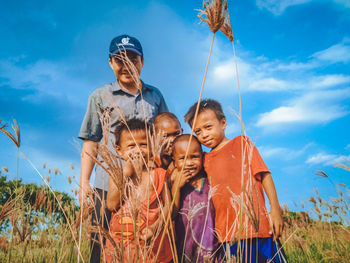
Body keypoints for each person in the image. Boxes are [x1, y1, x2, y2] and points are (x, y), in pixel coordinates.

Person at [78, 34, 168, 263]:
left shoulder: (155, 96)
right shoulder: (100, 96)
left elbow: (164, 136)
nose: (126, 65)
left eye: (132, 59)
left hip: (146, 187)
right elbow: (91, 140)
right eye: (120, 60)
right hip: (108, 185)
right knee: (101, 245)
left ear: (142, 61)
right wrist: (84, 182)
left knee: (145, 247)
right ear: (110, 63)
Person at [184, 99, 287, 262]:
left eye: (208, 127)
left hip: (258, 229)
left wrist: (275, 209)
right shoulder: (205, 160)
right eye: (198, 131)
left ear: (223, 123)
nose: (204, 134)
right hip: (227, 235)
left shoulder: (242, 143)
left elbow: (265, 175)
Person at [105, 118, 173, 263]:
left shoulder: (159, 174)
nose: (137, 150)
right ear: (119, 149)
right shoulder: (117, 174)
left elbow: (169, 206)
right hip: (120, 250)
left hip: (152, 250)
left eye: (143, 144)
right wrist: (126, 173)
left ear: (151, 146)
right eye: (131, 146)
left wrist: (155, 227)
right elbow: (111, 204)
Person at [171, 134, 219, 263]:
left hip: (214, 252)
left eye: (194, 157)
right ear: (174, 161)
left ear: (203, 156)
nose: (189, 163)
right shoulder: (174, 185)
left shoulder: (210, 181)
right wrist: (176, 187)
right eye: (182, 158)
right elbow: (171, 214)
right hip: (185, 253)